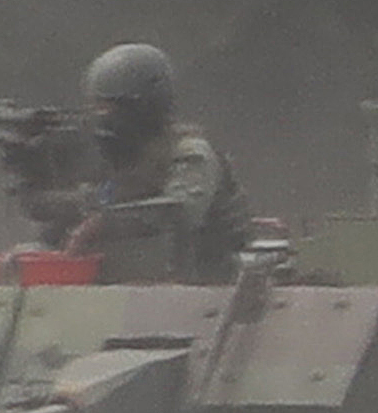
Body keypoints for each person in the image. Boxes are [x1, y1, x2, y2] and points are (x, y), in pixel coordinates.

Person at [44, 42, 256, 285]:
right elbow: (96, 198)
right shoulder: (120, 157)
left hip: (213, 283)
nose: (101, 119)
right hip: (142, 287)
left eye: (109, 109)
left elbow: (179, 212)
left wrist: (104, 223)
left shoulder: (192, 153)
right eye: (97, 108)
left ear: (140, 108)